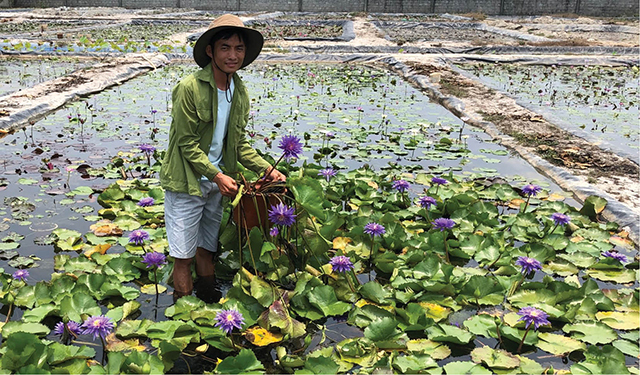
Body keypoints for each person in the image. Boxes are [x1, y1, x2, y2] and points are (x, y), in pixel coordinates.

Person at [160, 14, 286, 301]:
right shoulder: (189, 88)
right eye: (225, 48)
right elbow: (187, 144)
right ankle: (186, 314)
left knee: (207, 249)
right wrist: (216, 174)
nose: (232, 55)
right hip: (187, 182)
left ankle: (209, 302)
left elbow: (239, 143)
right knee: (183, 256)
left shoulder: (238, 90)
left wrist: (267, 169)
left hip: (217, 183)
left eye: (239, 48)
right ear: (210, 51)